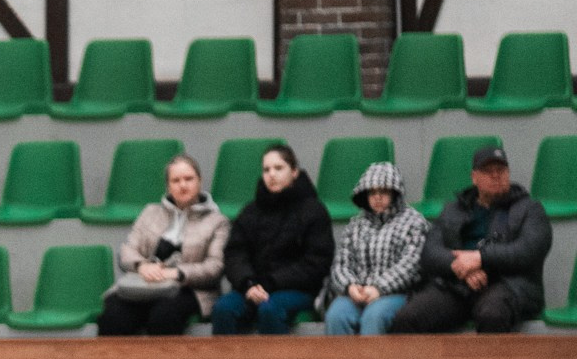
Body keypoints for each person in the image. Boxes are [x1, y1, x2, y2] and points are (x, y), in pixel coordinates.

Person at [390, 145, 549, 335]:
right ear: (474, 177)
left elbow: (529, 250)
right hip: (458, 284)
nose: (496, 176)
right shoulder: (454, 209)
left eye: (501, 170)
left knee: (492, 314)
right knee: (407, 318)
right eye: (488, 171)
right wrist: (462, 268)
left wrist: (480, 258)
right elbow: (430, 252)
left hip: (507, 284)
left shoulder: (529, 209)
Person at [98, 153, 228, 336]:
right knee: (113, 315)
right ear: (168, 186)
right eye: (176, 181)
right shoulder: (150, 212)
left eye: (188, 179)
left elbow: (215, 267)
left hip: (189, 289)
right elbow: (127, 250)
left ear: (199, 181)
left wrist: (176, 273)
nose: (183, 185)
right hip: (144, 284)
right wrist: (142, 266)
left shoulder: (217, 221)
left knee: (164, 315)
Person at [210, 144, 334, 335]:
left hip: (297, 290)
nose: (271, 174)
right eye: (266, 169)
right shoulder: (250, 211)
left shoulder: (314, 211)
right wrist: (248, 284)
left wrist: (271, 283)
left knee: (270, 309)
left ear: (294, 172)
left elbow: (316, 263)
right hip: (252, 287)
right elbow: (235, 253)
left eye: (278, 168)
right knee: (223, 309)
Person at [321, 162, 427, 336]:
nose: (377, 197)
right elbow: (341, 263)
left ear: (395, 194)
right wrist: (350, 286)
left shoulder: (414, 222)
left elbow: (411, 264)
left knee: (374, 316)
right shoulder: (356, 225)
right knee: (336, 315)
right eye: (372, 192)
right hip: (358, 292)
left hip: (398, 294)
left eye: (383, 192)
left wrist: (379, 288)